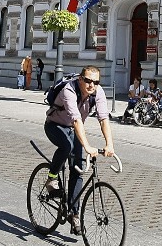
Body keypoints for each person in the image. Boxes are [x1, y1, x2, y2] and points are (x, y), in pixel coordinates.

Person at [44, 66, 115, 236]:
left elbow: (103, 119)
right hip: (55, 125)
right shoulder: (70, 90)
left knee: (79, 168)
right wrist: (88, 146)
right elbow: (76, 120)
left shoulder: (98, 92)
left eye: (96, 82)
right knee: (67, 146)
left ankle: (74, 214)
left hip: (74, 128)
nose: (92, 85)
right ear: (81, 79)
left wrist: (109, 144)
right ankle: (51, 179)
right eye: (89, 81)